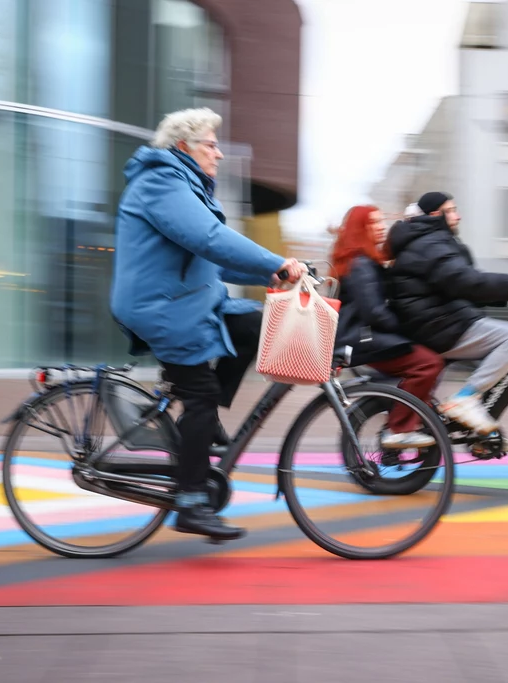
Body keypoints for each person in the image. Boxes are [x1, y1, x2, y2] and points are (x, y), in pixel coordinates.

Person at [110, 107, 305, 541]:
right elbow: (210, 240)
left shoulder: (185, 184)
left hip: (189, 300)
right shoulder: (162, 181)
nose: (218, 153)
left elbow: (209, 257)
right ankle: (192, 502)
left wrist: (271, 274)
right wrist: (275, 261)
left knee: (255, 326)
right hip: (161, 306)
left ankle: (205, 423)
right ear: (184, 146)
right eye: (211, 144)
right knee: (199, 395)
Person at [386, 191, 508, 438]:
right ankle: (465, 399)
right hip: (438, 326)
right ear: (436, 215)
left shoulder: (429, 241)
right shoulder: (432, 243)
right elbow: (467, 282)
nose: (458, 216)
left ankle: (479, 432)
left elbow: (462, 287)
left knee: (501, 339)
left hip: (439, 321)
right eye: (452, 210)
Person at [331, 205, 445, 449]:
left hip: (362, 338)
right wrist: (405, 329)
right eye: (374, 223)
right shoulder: (360, 264)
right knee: (427, 363)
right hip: (362, 339)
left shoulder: (364, 261)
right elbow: (374, 311)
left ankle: (408, 411)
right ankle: (399, 429)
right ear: (360, 229)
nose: (382, 226)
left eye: (382, 221)